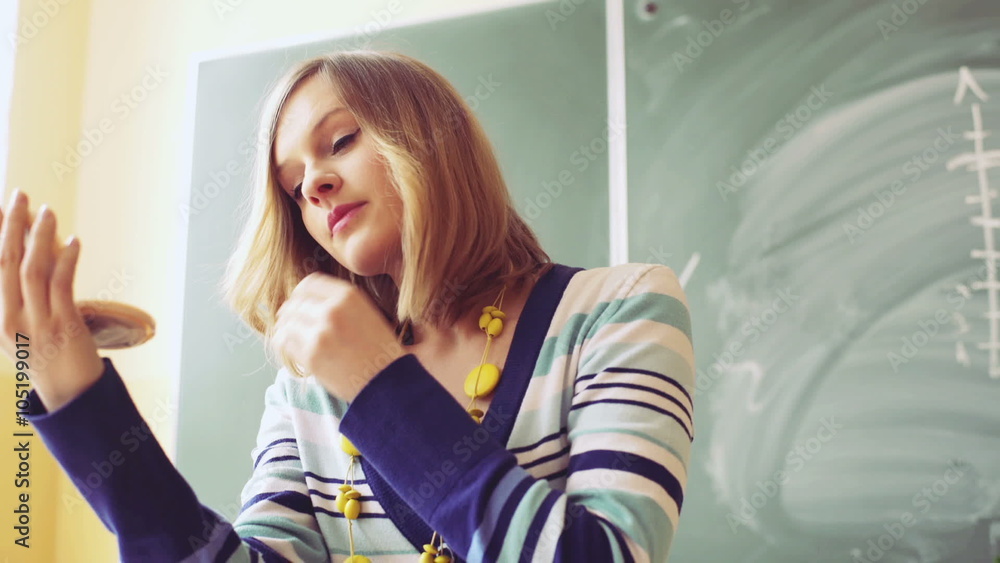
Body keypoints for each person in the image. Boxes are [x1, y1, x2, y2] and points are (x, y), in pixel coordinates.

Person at [0, 50, 695, 562]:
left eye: (339, 142)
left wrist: (377, 383)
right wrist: (78, 398)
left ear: (435, 137)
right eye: (294, 186)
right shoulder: (305, 394)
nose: (316, 186)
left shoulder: (620, 310)